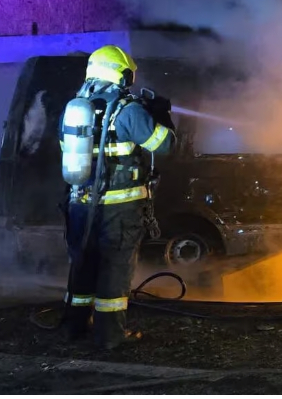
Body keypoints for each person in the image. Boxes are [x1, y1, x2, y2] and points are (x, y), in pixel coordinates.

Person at [59, 45, 176, 350]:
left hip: (80, 205)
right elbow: (165, 146)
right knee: (114, 267)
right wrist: (161, 114)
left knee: (83, 264)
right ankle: (110, 336)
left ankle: (73, 327)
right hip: (119, 209)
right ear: (122, 75)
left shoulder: (75, 109)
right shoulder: (127, 110)